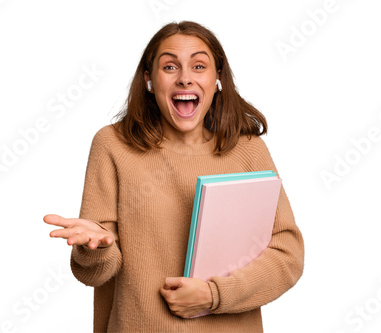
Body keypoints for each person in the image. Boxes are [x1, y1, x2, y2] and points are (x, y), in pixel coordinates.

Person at [44, 20, 304, 333]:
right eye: (169, 67)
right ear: (149, 80)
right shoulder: (113, 145)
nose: (184, 79)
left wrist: (214, 296)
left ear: (217, 78)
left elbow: (287, 255)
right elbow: (96, 274)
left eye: (198, 66)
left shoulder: (247, 150)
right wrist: (94, 248)